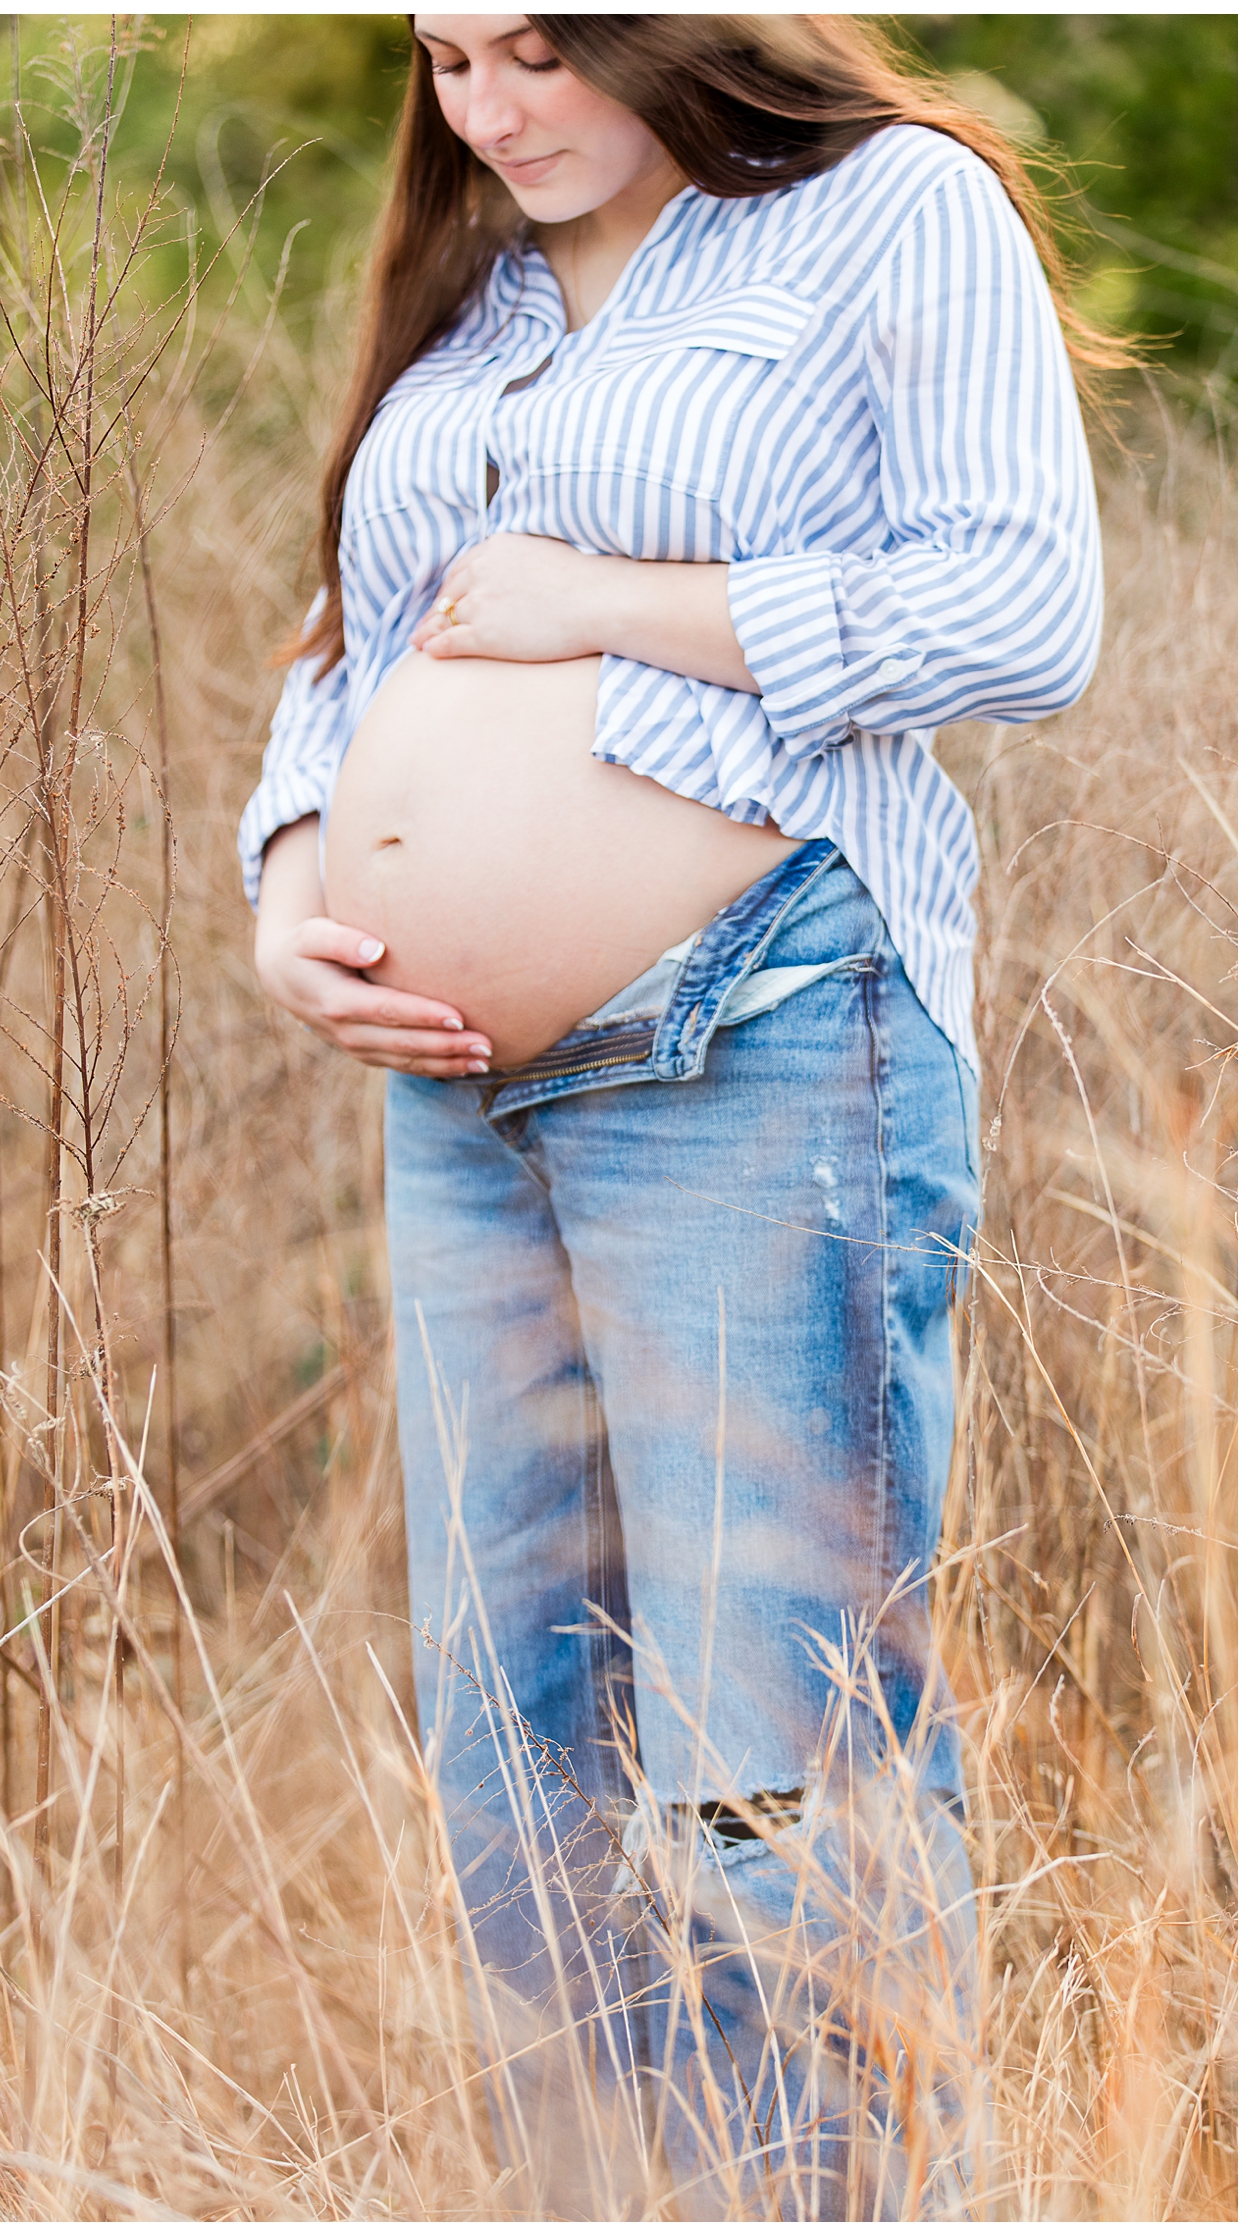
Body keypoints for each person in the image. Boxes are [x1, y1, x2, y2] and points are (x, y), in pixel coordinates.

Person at [240, 14, 1109, 2217]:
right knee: (515, 1751)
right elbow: (346, 649)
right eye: (444, 61)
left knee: (772, 1753)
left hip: (760, 1044)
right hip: (466, 1111)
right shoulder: (478, 285)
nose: (492, 111)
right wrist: (287, 882)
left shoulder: (883, 215)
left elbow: (1029, 602)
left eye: (540, 50)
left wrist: (616, 606)